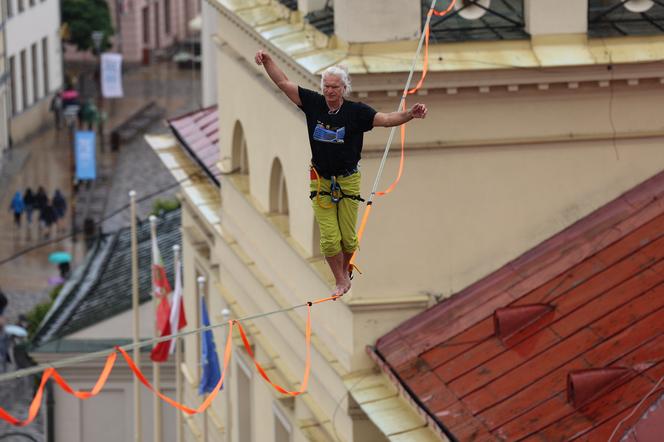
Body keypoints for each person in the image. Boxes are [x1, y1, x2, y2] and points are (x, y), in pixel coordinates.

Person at [255, 49, 428, 296]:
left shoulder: (356, 113)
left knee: (347, 238)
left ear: (343, 89)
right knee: (329, 237)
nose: (329, 91)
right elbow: (283, 83)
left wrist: (410, 114)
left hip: (348, 180)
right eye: (326, 86)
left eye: (335, 87)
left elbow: (388, 119)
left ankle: (345, 271)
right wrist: (268, 61)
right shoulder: (313, 104)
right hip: (321, 180)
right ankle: (339, 280)